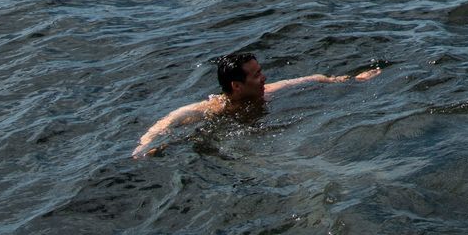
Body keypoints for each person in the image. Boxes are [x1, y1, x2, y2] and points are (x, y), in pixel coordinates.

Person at [134, 51, 379, 158]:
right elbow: (170, 120)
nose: (264, 79)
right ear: (236, 86)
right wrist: (146, 146)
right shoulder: (215, 108)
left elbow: (312, 79)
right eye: (256, 75)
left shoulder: (269, 92)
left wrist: (351, 79)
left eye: (261, 71)